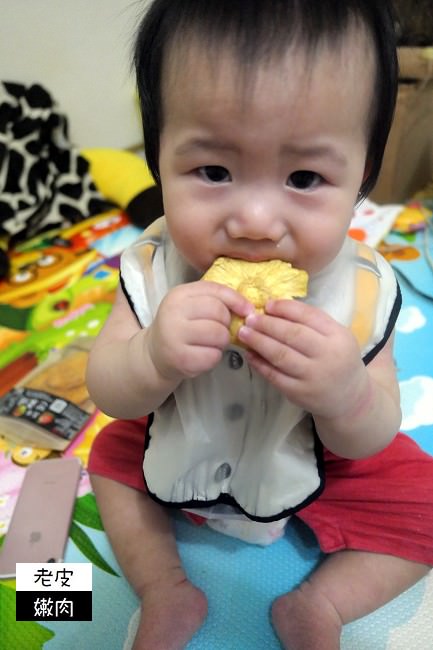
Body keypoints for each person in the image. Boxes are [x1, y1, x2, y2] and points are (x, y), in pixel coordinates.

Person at [86, 2, 433, 648]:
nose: (253, 220)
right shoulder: (152, 267)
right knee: (107, 458)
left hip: (314, 458)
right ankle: (165, 586)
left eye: (304, 177)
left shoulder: (357, 289)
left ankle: (321, 604)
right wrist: (151, 359)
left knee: (427, 503)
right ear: (157, 158)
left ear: (361, 175)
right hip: (182, 439)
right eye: (212, 172)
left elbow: (371, 429)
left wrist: (345, 394)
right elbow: (107, 387)